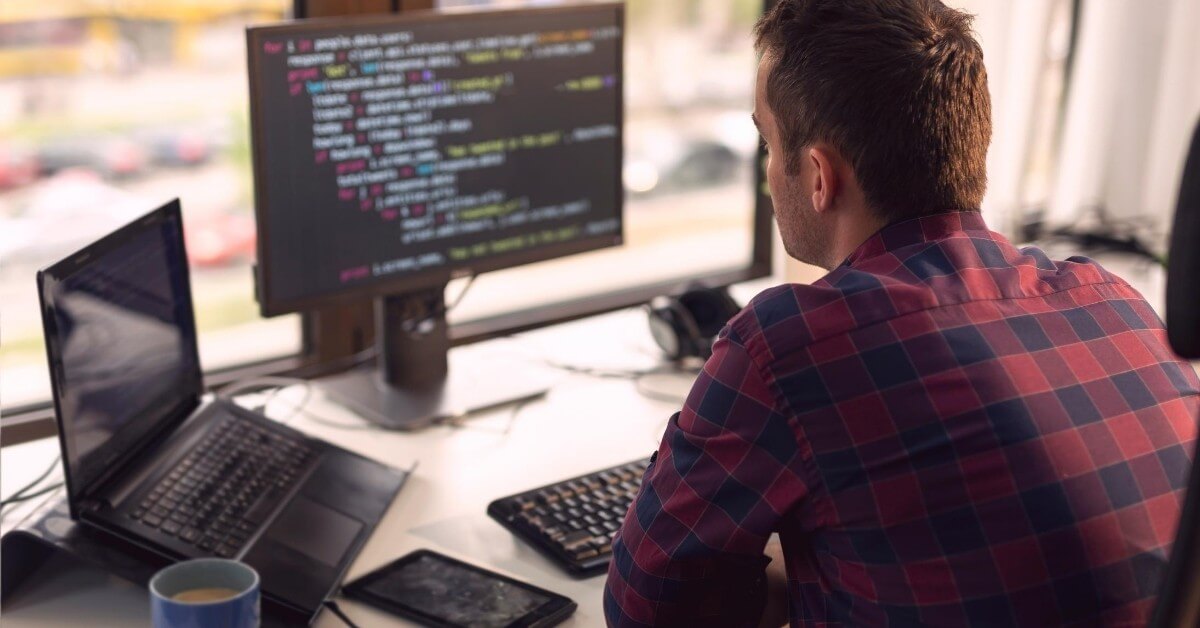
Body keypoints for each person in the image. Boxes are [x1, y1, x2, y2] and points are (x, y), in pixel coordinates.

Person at [603, 0, 1200, 625]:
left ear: (817, 175)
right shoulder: (1111, 300)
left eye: (767, 140)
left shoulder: (787, 345)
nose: (764, 172)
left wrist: (799, 568)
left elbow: (647, 609)